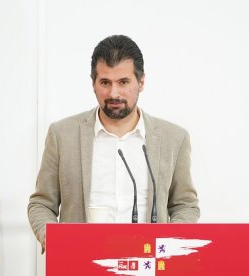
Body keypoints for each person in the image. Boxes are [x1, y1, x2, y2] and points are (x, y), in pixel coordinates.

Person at [27, 35, 200, 252]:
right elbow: (41, 204)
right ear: (93, 84)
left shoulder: (174, 138)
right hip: (80, 260)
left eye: (123, 82)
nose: (114, 93)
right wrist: (50, 236)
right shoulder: (62, 135)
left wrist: (171, 241)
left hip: (148, 262)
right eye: (105, 83)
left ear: (141, 82)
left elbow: (185, 205)